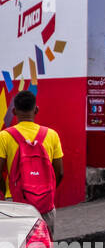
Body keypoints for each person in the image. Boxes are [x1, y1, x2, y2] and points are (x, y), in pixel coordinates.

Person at [1, 90, 64, 238]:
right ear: (36, 109)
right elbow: (60, 173)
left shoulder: (4, 136)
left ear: (14, 111)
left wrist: (5, 193)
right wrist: (45, 191)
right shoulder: (51, 135)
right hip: (45, 202)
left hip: (16, 203)